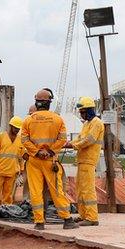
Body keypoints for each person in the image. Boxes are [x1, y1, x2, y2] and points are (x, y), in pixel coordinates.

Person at [21, 88, 78, 230]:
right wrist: (50, 151)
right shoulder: (57, 119)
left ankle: (39, 222)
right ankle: (67, 219)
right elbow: (63, 139)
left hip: (34, 161)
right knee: (56, 190)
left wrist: (36, 152)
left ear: (36, 102)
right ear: (49, 103)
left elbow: (24, 139)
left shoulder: (28, 120)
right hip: (50, 160)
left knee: (35, 191)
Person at [64, 97, 104, 226]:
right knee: (80, 189)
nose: (81, 115)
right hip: (82, 160)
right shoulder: (86, 124)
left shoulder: (97, 123)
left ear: (89, 111)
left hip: (89, 160)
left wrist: (73, 146)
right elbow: (80, 138)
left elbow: (89, 140)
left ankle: (92, 218)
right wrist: (69, 143)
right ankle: (83, 215)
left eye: (83, 112)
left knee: (87, 189)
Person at [0, 116, 25, 209]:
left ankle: (6, 211)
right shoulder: (0, 137)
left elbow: (21, 156)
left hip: (12, 172)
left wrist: (21, 168)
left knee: (8, 195)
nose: (17, 130)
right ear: (10, 126)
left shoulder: (20, 140)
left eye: (18, 128)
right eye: (15, 128)